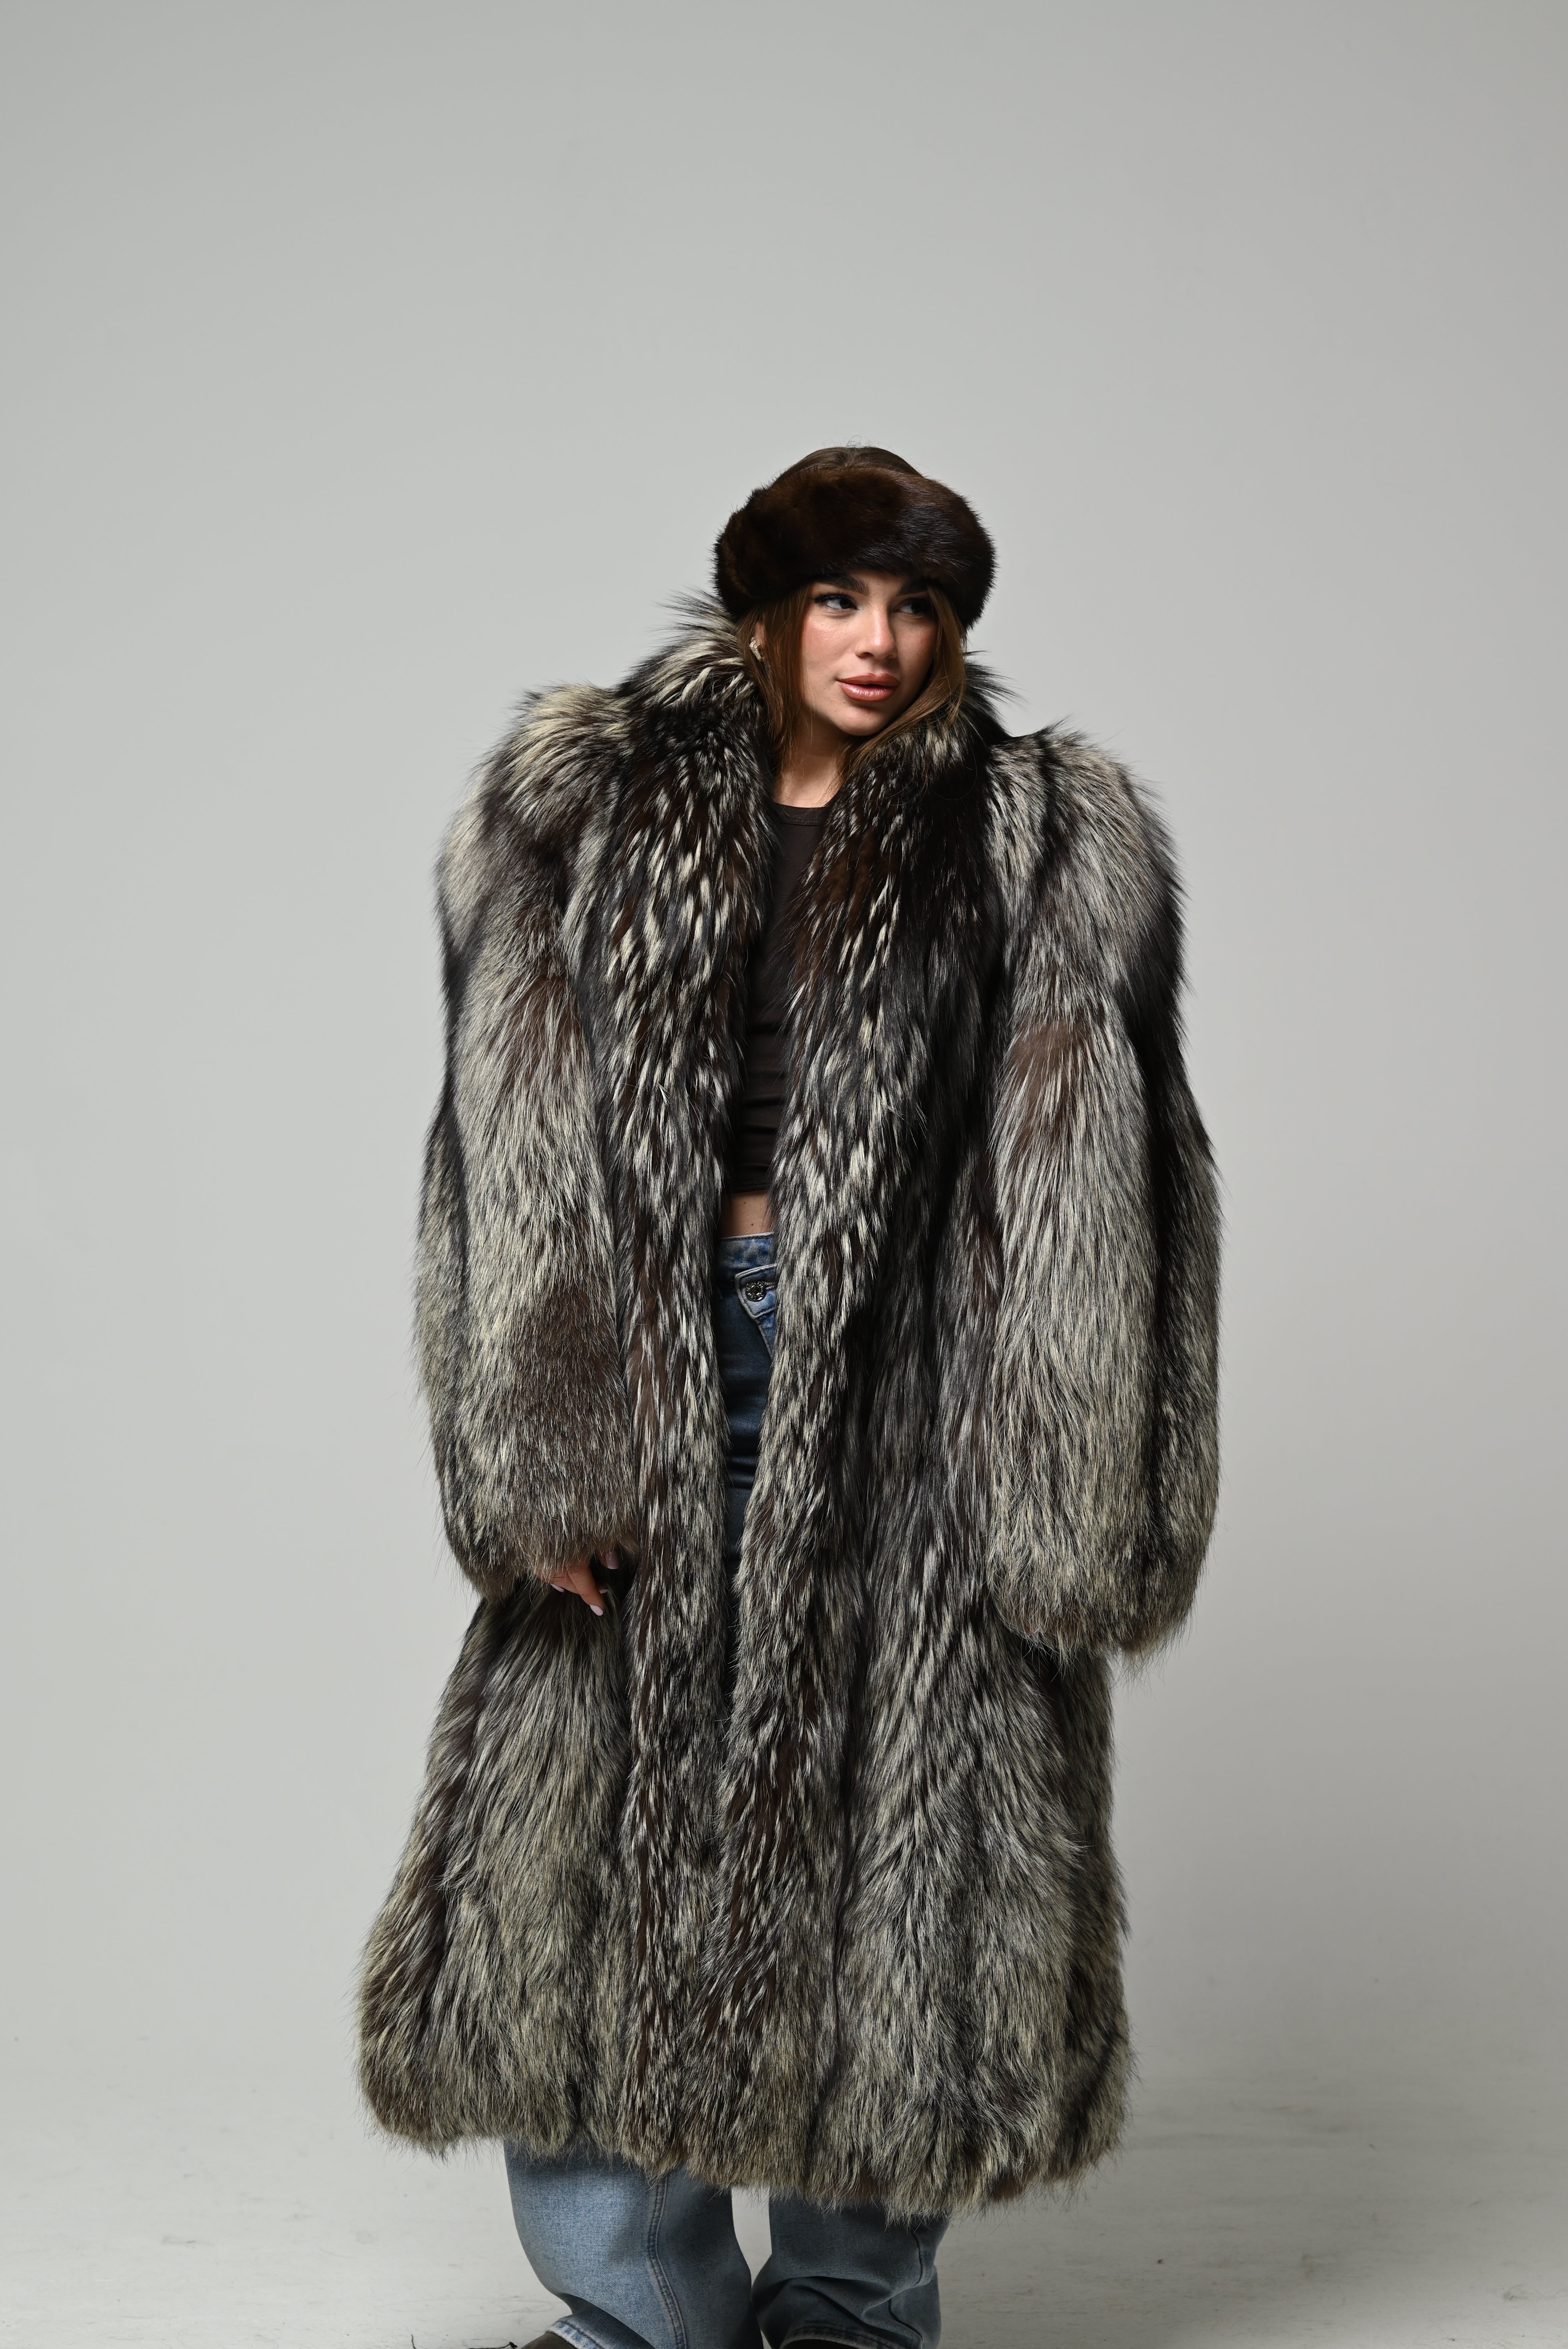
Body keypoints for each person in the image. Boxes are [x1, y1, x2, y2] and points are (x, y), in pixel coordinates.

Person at [358, 447, 1221, 2349]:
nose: (876, 641)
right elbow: (502, 1139)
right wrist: (536, 1455)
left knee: (905, 1864)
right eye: (839, 599)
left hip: (921, 1384)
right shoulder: (576, 802)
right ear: (766, 608)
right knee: (592, 1851)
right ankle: (635, 2316)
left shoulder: (1038, 832)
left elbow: (1111, 1170)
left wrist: (1065, 1475)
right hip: (644, 1363)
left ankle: (847, 2310)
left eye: (914, 608)